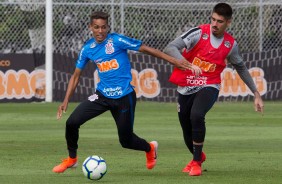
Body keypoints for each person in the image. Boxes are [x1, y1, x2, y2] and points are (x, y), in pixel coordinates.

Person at [52, 11, 201, 173]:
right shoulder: (88, 49)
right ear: (91, 28)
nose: (100, 31)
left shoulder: (117, 40)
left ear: (108, 27)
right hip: (102, 96)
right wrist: (66, 100)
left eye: (103, 27)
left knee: (126, 140)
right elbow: (76, 76)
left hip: (124, 97)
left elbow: (146, 49)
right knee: (72, 123)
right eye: (96, 27)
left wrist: (175, 61)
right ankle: (72, 159)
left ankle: (149, 148)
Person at [164, 3, 264, 176]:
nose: (214, 24)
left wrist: (256, 93)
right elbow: (170, 48)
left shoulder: (230, 45)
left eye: (219, 21)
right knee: (186, 129)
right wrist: (186, 63)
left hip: (210, 84)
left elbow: (240, 67)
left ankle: (196, 163)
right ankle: (198, 156)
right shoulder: (198, 33)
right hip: (186, 85)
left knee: (197, 115)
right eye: (213, 19)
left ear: (228, 23)